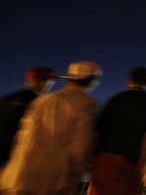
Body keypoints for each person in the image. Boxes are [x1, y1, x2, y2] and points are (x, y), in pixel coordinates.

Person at [0, 61, 101, 195]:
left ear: (69, 80)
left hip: (19, 173)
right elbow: (80, 146)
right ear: (93, 81)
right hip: (53, 180)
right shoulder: (87, 105)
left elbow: (22, 135)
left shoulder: (44, 100)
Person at [92, 66, 146, 195]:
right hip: (125, 162)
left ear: (129, 80)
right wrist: (140, 167)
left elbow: (98, 131)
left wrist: (92, 159)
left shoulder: (115, 99)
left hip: (102, 160)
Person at [0, 67, 56, 171]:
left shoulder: (6, 99)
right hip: (18, 157)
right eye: (49, 81)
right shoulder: (40, 103)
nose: (50, 84)